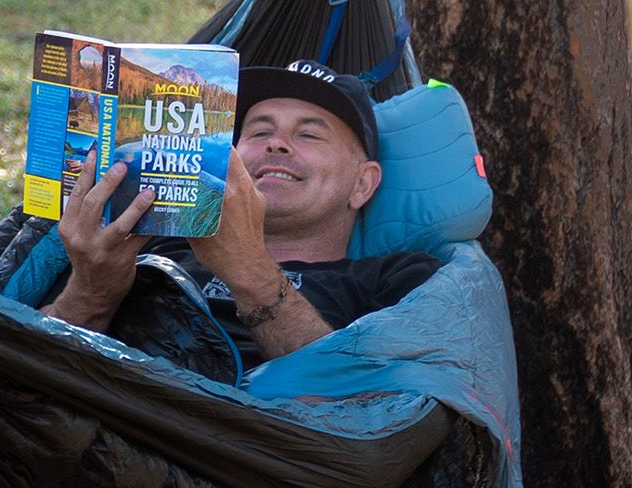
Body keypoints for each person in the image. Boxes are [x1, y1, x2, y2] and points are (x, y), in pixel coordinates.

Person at [44, 60, 439, 369]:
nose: (277, 145)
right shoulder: (141, 243)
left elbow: (370, 412)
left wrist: (250, 271)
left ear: (363, 184)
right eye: (258, 132)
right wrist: (92, 289)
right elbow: (24, 366)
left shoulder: (399, 281)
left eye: (308, 134)